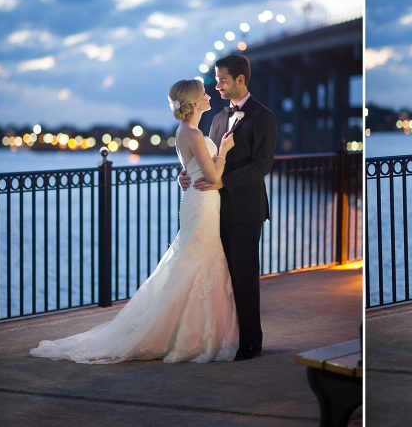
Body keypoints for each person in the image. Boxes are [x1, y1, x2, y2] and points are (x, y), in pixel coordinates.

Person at [30, 79, 239, 363]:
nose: (209, 96)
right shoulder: (191, 133)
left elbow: (191, 169)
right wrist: (224, 151)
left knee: (192, 259)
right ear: (193, 102)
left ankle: (187, 329)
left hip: (198, 199)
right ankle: (190, 334)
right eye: (204, 93)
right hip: (202, 201)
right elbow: (213, 177)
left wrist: (186, 175)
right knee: (197, 259)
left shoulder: (185, 131)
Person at [179, 54, 277, 361]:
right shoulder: (218, 117)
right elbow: (207, 160)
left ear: (240, 80)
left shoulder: (264, 117)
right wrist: (187, 173)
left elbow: (262, 165)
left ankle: (251, 342)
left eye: (222, 80)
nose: (217, 86)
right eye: (217, 80)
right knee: (218, 276)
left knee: (244, 277)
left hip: (246, 210)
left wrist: (223, 182)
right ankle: (221, 337)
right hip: (213, 209)